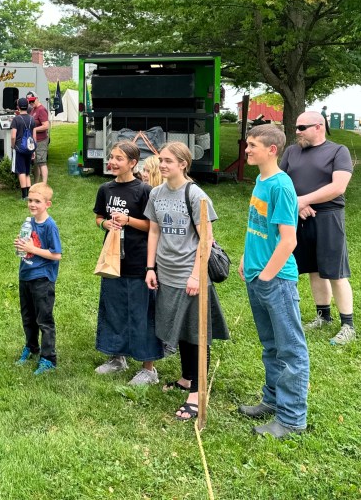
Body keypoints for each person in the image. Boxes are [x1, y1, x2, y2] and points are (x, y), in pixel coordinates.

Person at [145, 142, 229, 420]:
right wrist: (150, 267)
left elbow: (207, 239)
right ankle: (186, 378)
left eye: (168, 160)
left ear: (183, 164)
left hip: (190, 275)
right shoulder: (156, 193)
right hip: (166, 272)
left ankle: (197, 392)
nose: (162, 164)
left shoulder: (196, 195)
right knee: (180, 328)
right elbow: (154, 232)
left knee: (195, 332)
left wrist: (195, 274)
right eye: (161, 160)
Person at [238, 124, 309, 438]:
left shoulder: (281, 186)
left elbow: (288, 240)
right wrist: (245, 258)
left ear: (272, 149)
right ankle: (272, 400)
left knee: (290, 350)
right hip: (256, 276)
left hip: (276, 281)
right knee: (270, 347)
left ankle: (292, 419)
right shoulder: (260, 180)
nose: (247, 149)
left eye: (253, 145)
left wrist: (267, 275)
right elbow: (258, 227)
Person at [280, 110, 354, 345]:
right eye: (296, 128)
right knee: (313, 268)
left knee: (335, 271)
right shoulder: (292, 151)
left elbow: (338, 186)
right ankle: (324, 316)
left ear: (319, 127)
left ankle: (348, 325)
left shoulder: (337, 151)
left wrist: (304, 200)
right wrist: (297, 204)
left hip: (328, 216)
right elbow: (281, 181)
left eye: (302, 128)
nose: (297, 132)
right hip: (299, 215)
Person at [94, 141, 163, 386]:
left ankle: (148, 368)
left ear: (133, 163)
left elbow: (152, 227)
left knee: (142, 313)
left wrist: (127, 220)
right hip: (113, 261)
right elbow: (98, 218)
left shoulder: (144, 191)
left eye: (118, 158)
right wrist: (106, 224)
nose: (112, 162)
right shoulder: (105, 188)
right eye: (111, 157)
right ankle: (117, 358)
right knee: (114, 309)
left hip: (138, 261)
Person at [14, 182, 62, 375]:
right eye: (30, 200)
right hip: (25, 274)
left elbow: (56, 254)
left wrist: (33, 249)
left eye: (37, 201)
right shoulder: (29, 222)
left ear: (47, 204)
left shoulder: (50, 226)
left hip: (42, 278)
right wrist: (20, 245)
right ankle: (31, 347)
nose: (32, 204)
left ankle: (49, 358)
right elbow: (26, 245)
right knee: (28, 316)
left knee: (44, 319)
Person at [10, 97, 36, 200]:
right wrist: (33, 149)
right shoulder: (32, 119)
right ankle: (29, 194)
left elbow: (13, 136)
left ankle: (24, 195)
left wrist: (13, 145)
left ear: (18, 107)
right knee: (27, 171)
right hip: (30, 147)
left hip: (20, 148)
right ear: (28, 106)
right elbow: (34, 136)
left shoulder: (16, 119)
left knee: (21, 171)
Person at [26, 91, 50, 184]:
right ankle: (36, 184)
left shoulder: (41, 109)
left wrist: (35, 129)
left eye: (32, 100)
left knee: (42, 162)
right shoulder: (33, 109)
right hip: (34, 141)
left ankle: (44, 185)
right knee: (35, 163)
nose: (31, 103)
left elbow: (46, 126)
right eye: (29, 101)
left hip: (41, 140)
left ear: (36, 98)